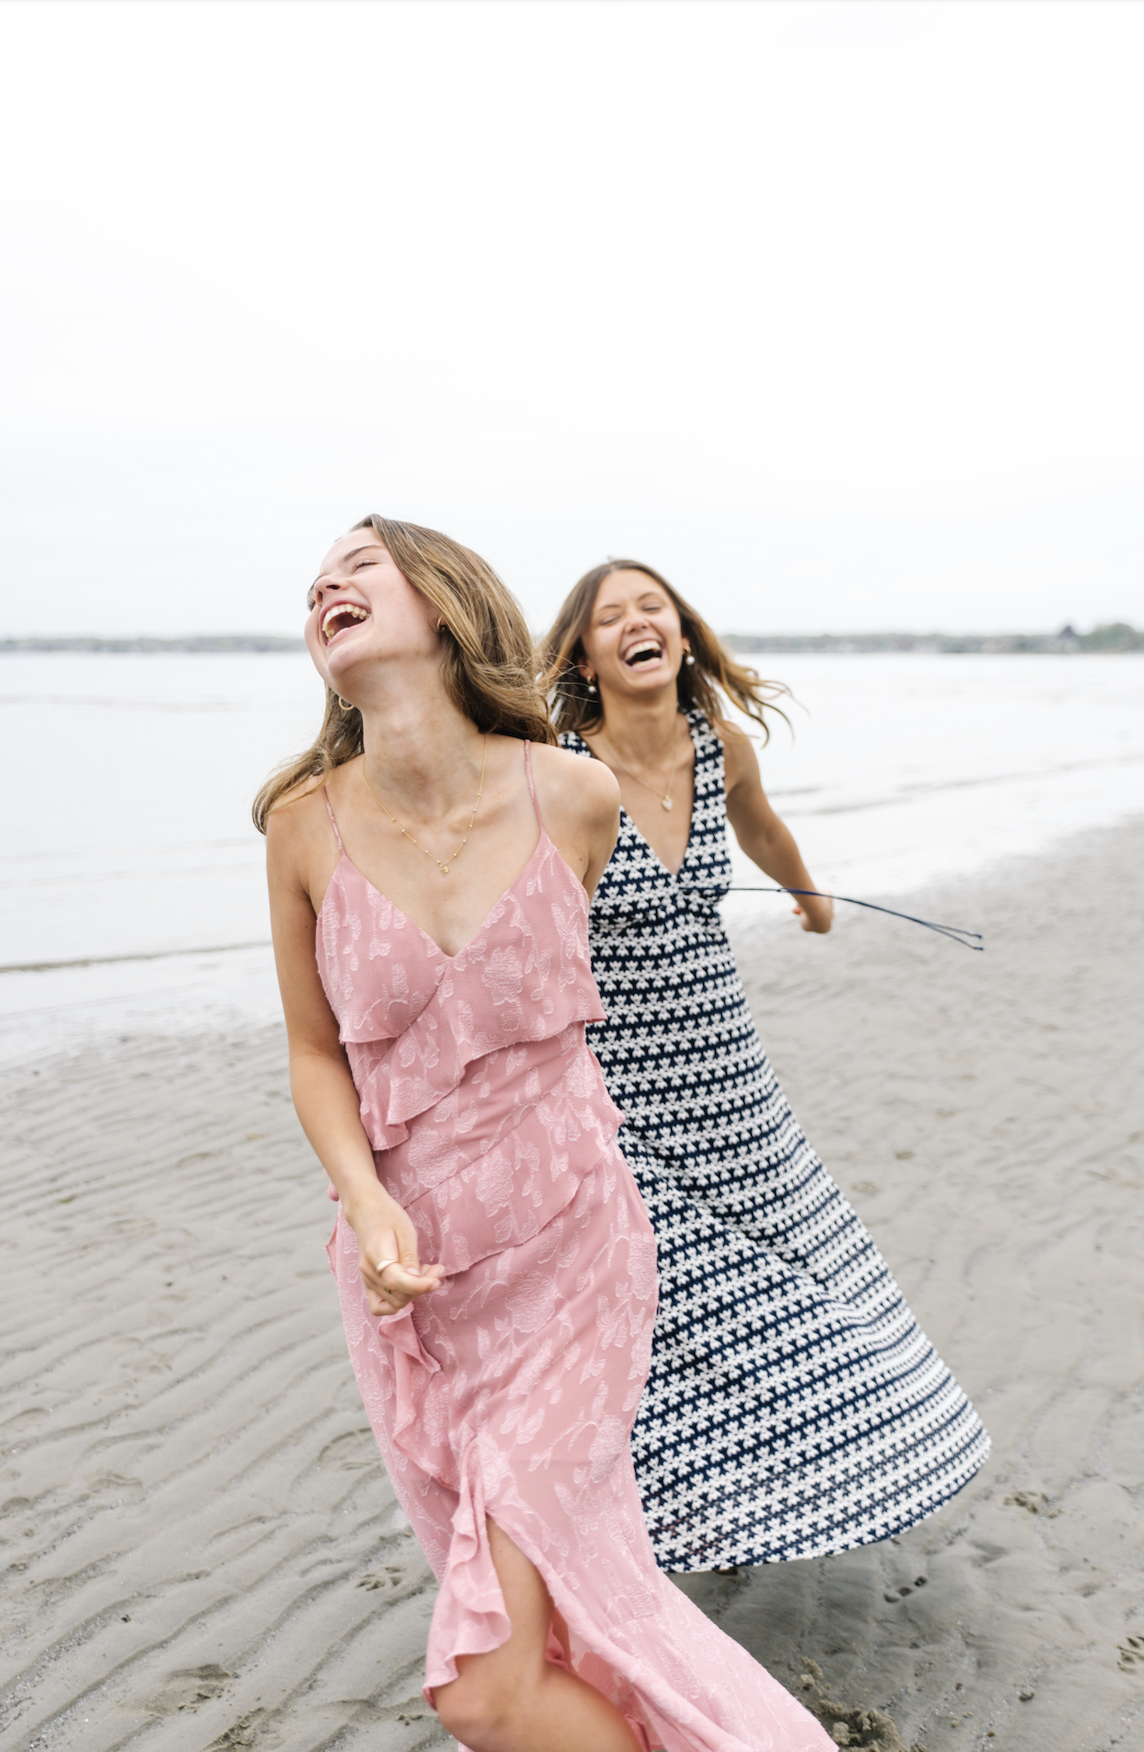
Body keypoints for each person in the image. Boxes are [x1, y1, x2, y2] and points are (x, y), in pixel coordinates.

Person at [255, 516, 834, 1752]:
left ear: (445, 601)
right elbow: (314, 1052)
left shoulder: (571, 792)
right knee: (538, 1639)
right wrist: (365, 1204)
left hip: (570, 1252)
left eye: (358, 567)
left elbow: (656, 959)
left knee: (482, 1686)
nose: (325, 587)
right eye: (314, 584)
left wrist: (792, 898)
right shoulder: (303, 825)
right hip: (412, 1285)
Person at [538, 559, 989, 1574]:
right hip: (614, 1082)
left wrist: (810, 894)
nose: (635, 623)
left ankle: (793, 1477)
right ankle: (627, 1511)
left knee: (792, 1276)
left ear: (683, 635)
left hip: (729, 1077)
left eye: (651, 607)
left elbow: (761, 827)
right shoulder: (555, 766)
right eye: (610, 617)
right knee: (652, 1288)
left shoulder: (721, 747)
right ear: (582, 655)